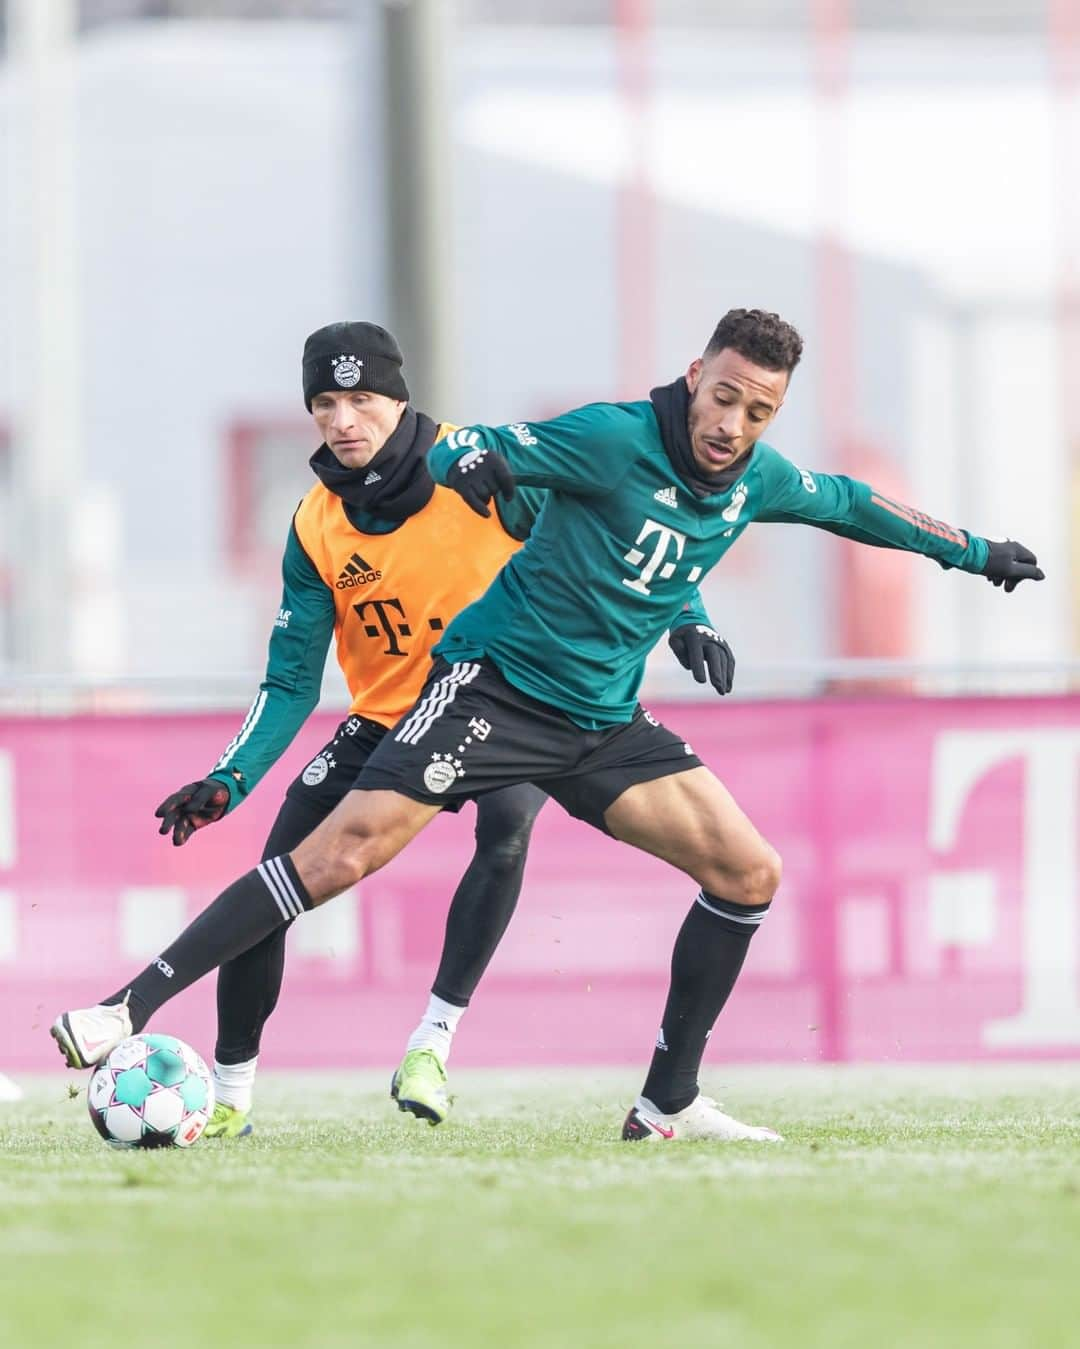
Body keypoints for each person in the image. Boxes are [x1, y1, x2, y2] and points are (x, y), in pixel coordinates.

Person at [53, 307, 1043, 1143]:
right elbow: (499, 448)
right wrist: (479, 458)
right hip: (493, 689)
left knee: (749, 873)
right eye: (725, 396)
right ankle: (123, 1009)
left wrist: (979, 550)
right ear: (695, 376)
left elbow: (854, 506)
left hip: (602, 720)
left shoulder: (756, 478)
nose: (733, 424)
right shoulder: (612, 436)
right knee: (336, 857)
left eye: (759, 409)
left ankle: (665, 1101)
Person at [101, 320, 734, 1139]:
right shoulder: (314, 524)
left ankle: (432, 1041)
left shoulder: (481, 471)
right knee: (279, 878)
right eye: (325, 402)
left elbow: (615, 529)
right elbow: (291, 679)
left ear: (400, 401)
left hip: (504, 705)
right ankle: (229, 1095)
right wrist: (231, 776)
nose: (342, 419)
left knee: (507, 828)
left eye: (361, 399)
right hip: (381, 723)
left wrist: (688, 613)